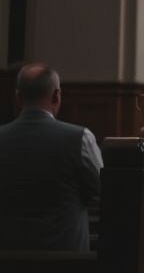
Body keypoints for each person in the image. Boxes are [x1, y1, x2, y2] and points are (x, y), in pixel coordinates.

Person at [0, 64, 103, 251]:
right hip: (66, 258)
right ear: (56, 96)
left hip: (8, 258)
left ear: (18, 97)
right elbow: (102, 188)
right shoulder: (80, 138)